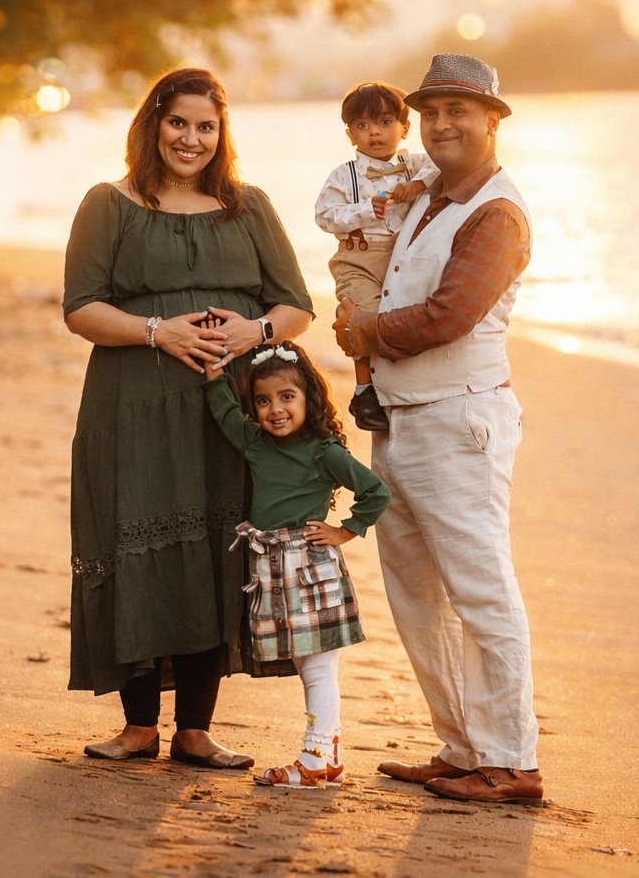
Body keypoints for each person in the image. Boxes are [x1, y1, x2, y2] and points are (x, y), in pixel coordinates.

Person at [64, 67, 315, 770]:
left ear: (221, 134)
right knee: (134, 537)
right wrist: (159, 332)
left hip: (228, 408)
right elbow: (81, 307)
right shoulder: (108, 205)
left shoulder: (249, 206)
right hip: (133, 404)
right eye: (179, 123)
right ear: (153, 123)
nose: (192, 139)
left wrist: (253, 334)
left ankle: (196, 729)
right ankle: (138, 725)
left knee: (216, 546)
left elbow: (296, 304)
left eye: (207, 127)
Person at [332, 53, 544, 805]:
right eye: (432, 111)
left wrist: (362, 331)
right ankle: (462, 746)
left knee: (481, 590)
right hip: (401, 420)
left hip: (461, 423)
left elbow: (449, 316)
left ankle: (513, 760)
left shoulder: (497, 212)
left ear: (492, 120)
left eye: (460, 110)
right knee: (418, 596)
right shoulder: (425, 192)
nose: (442, 123)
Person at [202, 340, 390, 788]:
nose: (275, 410)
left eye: (287, 397)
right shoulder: (256, 443)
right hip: (271, 566)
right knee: (311, 668)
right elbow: (226, 416)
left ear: (309, 398)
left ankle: (314, 759)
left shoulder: (324, 453)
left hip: (310, 568)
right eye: (263, 401)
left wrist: (346, 530)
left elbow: (375, 492)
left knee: (319, 668)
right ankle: (327, 755)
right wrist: (213, 378)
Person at [312, 82, 436, 432]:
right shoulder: (344, 175)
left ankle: (402, 384)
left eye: (384, 122)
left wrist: (419, 185)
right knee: (361, 316)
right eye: (362, 127)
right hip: (359, 259)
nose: (374, 133)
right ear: (350, 135)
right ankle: (364, 390)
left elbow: (444, 163)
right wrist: (366, 210)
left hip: (405, 258)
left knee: (401, 319)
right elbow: (324, 216)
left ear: (404, 127)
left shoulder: (417, 165)